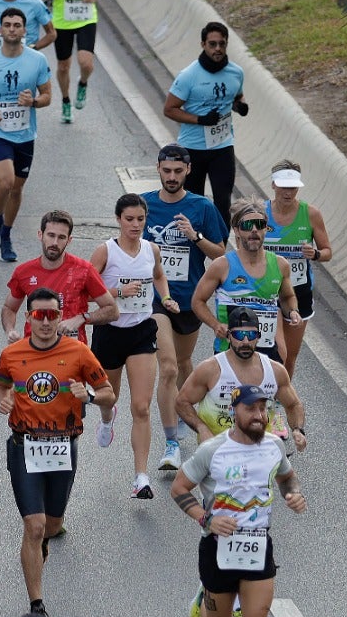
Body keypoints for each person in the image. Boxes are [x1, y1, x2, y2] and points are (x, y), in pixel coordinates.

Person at [170, 383, 306, 617]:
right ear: (236, 412)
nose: (260, 415)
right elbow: (179, 488)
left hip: (259, 547)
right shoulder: (212, 451)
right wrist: (205, 519)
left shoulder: (275, 446)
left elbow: (285, 475)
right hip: (217, 549)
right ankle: (205, 598)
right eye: (252, 409)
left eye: (264, 409)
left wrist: (292, 494)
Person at [0, 288, 114, 617]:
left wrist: (88, 395)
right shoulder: (13, 354)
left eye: (52, 315)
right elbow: (1, 383)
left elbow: (109, 394)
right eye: (39, 315)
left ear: (60, 317)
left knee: (51, 522)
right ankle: (37, 605)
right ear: (29, 318)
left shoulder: (78, 353)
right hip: (24, 445)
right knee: (33, 525)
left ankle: (45, 539)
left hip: (63, 446)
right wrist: (2, 399)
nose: (46, 322)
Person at [143, 144, 227, 470]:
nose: (172, 177)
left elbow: (220, 253)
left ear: (188, 170)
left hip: (190, 298)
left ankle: (197, 410)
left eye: (178, 171)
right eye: (167, 171)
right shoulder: (146, 205)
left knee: (182, 361)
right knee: (167, 367)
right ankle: (171, 444)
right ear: (159, 169)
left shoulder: (201, 207)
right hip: (155, 300)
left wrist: (194, 237)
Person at [88, 192, 176, 499]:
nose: (135, 225)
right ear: (118, 220)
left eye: (140, 219)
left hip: (141, 331)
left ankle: (141, 477)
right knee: (109, 399)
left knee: (141, 406)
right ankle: (106, 420)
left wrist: (164, 298)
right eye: (129, 219)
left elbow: (160, 276)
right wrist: (117, 290)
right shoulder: (106, 252)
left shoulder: (152, 249)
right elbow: (84, 289)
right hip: (109, 332)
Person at [0, 7, 52, 262]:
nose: (12, 29)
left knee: (16, 190)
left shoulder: (37, 60)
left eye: (17, 25)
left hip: (25, 134)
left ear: (25, 30)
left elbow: (47, 95)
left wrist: (34, 102)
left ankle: (6, 235)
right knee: (5, 183)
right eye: (7, 25)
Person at [176, 306, 307, 453]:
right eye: (239, 335)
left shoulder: (275, 371)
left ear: (258, 337)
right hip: (216, 455)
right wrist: (202, 428)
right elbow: (182, 402)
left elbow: (293, 405)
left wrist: (298, 429)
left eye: (251, 335)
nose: (245, 341)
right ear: (229, 336)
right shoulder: (210, 369)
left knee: (290, 476)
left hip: (260, 455)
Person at [191, 197, 302, 365]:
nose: (254, 230)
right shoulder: (222, 265)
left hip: (266, 350)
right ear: (236, 230)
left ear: (266, 228)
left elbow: (287, 297)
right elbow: (197, 301)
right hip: (229, 350)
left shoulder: (280, 265)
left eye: (260, 224)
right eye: (247, 225)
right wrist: (215, 325)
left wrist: (293, 311)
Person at [163, 20, 248, 223]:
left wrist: (240, 105)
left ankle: (219, 249)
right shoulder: (189, 76)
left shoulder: (236, 72)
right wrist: (200, 119)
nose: (217, 49)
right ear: (203, 44)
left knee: (223, 201)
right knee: (194, 202)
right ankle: (196, 247)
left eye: (222, 44)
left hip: (223, 146)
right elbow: (169, 109)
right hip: (193, 149)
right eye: (212, 44)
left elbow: (237, 96)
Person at [0, 208, 117, 346]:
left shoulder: (84, 270)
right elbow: (9, 308)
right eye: (50, 235)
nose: (55, 242)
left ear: (69, 240)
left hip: (72, 352)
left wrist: (82, 318)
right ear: (40, 235)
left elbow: (112, 310)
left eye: (61, 237)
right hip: (34, 351)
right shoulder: (24, 272)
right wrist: (10, 330)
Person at [264, 160, 332, 377]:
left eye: (293, 187)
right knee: (272, 352)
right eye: (284, 186)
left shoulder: (310, 214)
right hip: (266, 290)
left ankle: (281, 401)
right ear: (273, 184)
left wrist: (317, 254)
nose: (288, 192)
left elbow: (327, 251)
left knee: (289, 357)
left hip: (298, 291)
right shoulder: (260, 213)